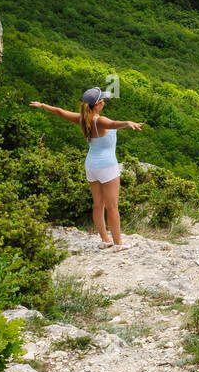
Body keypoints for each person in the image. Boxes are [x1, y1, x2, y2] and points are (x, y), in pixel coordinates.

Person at [29, 88, 144, 251]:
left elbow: (60, 112)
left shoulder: (82, 119)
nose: (104, 102)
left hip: (91, 165)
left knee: (98, 205)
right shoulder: (99, 120)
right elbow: (112, 124)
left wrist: (43, 105)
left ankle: (105, 240)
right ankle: (118, 244)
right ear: (98, 104)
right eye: (102, 100)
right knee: (112, 207)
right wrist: (128, 123)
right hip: (107, 166)